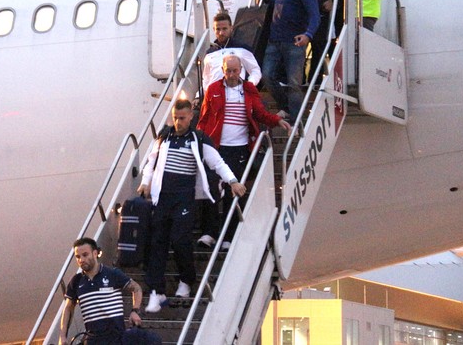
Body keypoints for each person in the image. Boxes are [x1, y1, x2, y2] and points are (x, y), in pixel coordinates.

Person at [137, 99, 246, 312]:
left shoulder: (198, 139)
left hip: (184, 197)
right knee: (157, 242)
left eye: (183, 118)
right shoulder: (164, 136)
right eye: (176, 118)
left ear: (191, 117)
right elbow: (151, 161)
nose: (178, 122)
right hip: (163, 197)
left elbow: (217, 162)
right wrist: (144, 183)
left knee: (179, 239)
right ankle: (156, 291)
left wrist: (233, 181)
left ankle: (186, 280)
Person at [195, 55, 291, 249]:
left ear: (241, 70)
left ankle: (228, 237)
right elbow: (204, 118)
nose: (231, 75)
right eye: (228, 70)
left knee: (233, 192)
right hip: (216, 147)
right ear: (222, 70)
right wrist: (198, 140)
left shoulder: (248, 89)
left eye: (235, 70)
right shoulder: (213, 89)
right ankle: (210, 233)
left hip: (239, 148)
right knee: (212, 188)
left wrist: (276, 120)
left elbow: (259, 113)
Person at [262, 0, 320, 125]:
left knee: (294, 82)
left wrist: (308, 35)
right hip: (275, 40)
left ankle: (296, 118)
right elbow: (277, 3)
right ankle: (285, 107)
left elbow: (314, 16)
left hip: (294, 42)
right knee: (267, 75)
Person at [59, 237, 143, 345]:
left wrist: (135, 310)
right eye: (78, 257)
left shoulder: (112, 274)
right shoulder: (76, 281)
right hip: (93, 340)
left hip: (117, 338)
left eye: (85, 255)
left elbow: (136, 288)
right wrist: (62, 336)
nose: (81, 260)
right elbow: (68, 309)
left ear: (95, 253)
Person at [203, 12, 262, 90]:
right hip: (215, 97)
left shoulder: (242, 48)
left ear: (231, 28)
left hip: (236, 94)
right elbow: (206, 79)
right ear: (214, 29)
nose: (221, 33)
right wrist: (201, 95)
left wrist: (249, 85)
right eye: (218, 29)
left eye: (224, 29)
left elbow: (255, 70)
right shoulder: (209, 53)